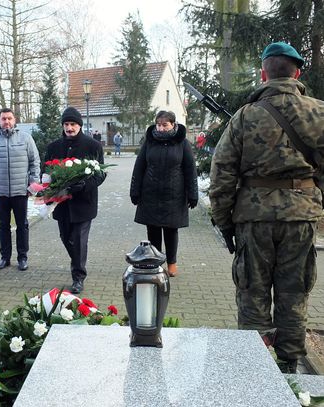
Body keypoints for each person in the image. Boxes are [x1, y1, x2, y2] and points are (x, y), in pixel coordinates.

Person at [209, 42, 324, 373]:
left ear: (263, 73)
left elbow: (222, 174)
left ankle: (254, 369)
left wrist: (225, 223)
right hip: (301, 219)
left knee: (252, 293)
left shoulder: (246, 115)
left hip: (253, 220)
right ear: (297, 73)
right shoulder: (319, 113)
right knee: (294, 292)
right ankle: (289, 367)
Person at [44, 107, 106, 294]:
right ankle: (77, 261)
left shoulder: (93, 146)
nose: (69, 128)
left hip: (83, 203)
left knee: (79, 240)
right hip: (62, 203)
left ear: (79, 125)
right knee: (65, 237)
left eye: (72, 124)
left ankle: (78, 277)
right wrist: (47, 193)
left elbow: (101, 174)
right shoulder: (54, 147)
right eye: (66, 124)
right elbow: (46, 173)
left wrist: (84, 185)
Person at [129, 111, 198, 278]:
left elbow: (190, 169)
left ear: (173, 125)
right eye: (158, 125)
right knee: (152, 229)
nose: (160, 128)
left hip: (174, 193)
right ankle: (155, 260)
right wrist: (135, 190)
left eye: (164, 125)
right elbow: (139, 167)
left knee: (170, 230)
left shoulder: (183, 143)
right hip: (150, 192)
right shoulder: (149, 142)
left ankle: (172, 263)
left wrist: (193, 194)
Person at [0, 108, 40, 271]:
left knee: (22, 225)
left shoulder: (26, 139)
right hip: (0, 192)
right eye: (3, 119)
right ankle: (4, 257)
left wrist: (32, 185)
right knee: (3, 225)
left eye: (9, 118)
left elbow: (35, 162)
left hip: (21, 191)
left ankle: (22, 257)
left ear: (15, 120)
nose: (6, 122)